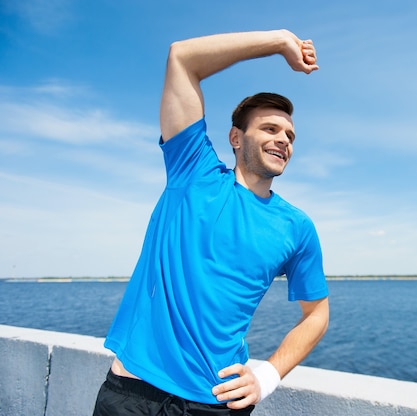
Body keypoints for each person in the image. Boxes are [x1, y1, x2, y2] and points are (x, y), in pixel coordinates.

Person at [92, 29, 330, 416]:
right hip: (134, 395)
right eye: (270, 129)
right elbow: (182, 58)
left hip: (217, 403)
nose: (284, 139)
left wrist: (268, 375)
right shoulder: (192, 171)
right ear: (236, 137)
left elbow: (317, 313)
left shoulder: (296, 227)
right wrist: (280, 41)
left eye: (290, 135)